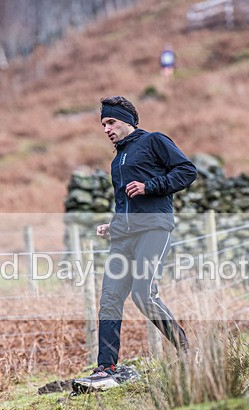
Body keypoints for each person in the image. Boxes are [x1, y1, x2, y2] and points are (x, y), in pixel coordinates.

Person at [72, 96, 197, 392]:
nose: (106, 129)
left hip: (154, 228)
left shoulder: (154, 141)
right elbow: (125, 204)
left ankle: (186, 351)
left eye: (111, 122)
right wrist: (112, 225)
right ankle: (106, 369)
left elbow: (186, 171)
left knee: (143, 294)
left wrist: (149, 186)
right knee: (110, 299)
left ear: (127, 120)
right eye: (103, 124)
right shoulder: (117, 161)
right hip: (123, 237)